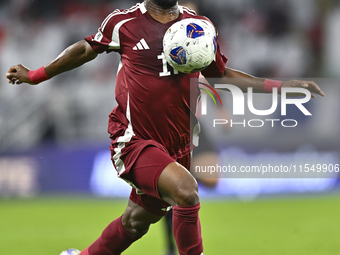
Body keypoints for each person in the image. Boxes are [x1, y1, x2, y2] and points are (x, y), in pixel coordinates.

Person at [6, 1, 325, 255]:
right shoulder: (124, 23)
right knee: (186, 191)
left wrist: (282, 86)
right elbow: (86, 49)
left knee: (135, 222)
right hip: (133, 140)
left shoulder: (198, 28)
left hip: (178, 144)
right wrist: (35, 75)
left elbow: (221, 75)